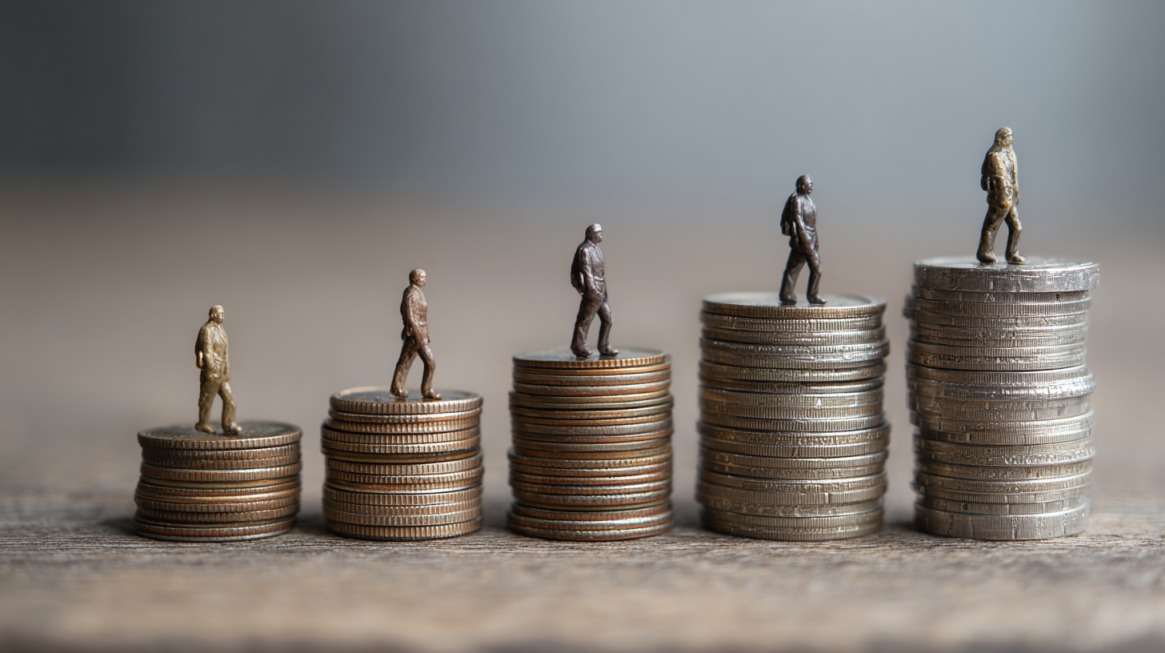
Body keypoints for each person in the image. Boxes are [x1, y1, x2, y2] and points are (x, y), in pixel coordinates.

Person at [976, 126, 1025, 264]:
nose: (1011, 139)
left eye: (1012, 136)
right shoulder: (994, 156)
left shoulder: (1010, 153)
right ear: (1000, 139)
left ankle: (1012, 253)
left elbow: (1014, 176)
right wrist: (1002, 197)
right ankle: (984, 252)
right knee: (991, 226)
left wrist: (1016, 192)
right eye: (1008, 137)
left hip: (1011, 197)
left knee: (1017, 227)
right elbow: (998, 178)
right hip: (1000, 198)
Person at [390, 268, 441, 400]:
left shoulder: (416, 292)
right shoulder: (412, 293)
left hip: (418, 333)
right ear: (415, 279)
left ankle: (397, 387)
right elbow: (410, 316)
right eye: (423, 277)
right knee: (429, 362)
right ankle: (426, 390)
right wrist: (418, 336)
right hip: (415, 335)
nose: (425, 279)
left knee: (406, 360)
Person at [570, 224, 618, 358]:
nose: (602, 235)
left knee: (608, 319)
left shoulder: (597, 249)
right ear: (592, 234)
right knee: (585, 319)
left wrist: (604, 291)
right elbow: (586, 272)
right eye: (599, 232)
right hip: (592, 291)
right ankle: (578, 346)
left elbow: (601, 273)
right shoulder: (584, 250)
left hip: (601, 290)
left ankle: (604, 346)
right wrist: (591, 291)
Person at [195, 305, 242, 435]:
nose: (222, 316)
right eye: (220, 314)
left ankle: (229, 424)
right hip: (212, 373)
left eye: (223, 313)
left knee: (230, 400)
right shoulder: (206, 330)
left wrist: (226, 370)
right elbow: (207, 351)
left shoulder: (221, 329)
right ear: (213, 315)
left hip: (222, 373)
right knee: (206, 400)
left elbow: (225, 352)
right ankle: (203, 423)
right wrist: (211, 369)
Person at [779, 175, 824, 305]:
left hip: (811, 240)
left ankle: (787, 294)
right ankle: (811, 295)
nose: (812, 187)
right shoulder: (797, 200)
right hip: (803, 241)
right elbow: (798, 221)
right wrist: (806, 242)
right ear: (802, 185)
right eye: (810, 184)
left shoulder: (810, 201)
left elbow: (812, 224)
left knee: (793, 268)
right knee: (816, 269)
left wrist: (815, 241)